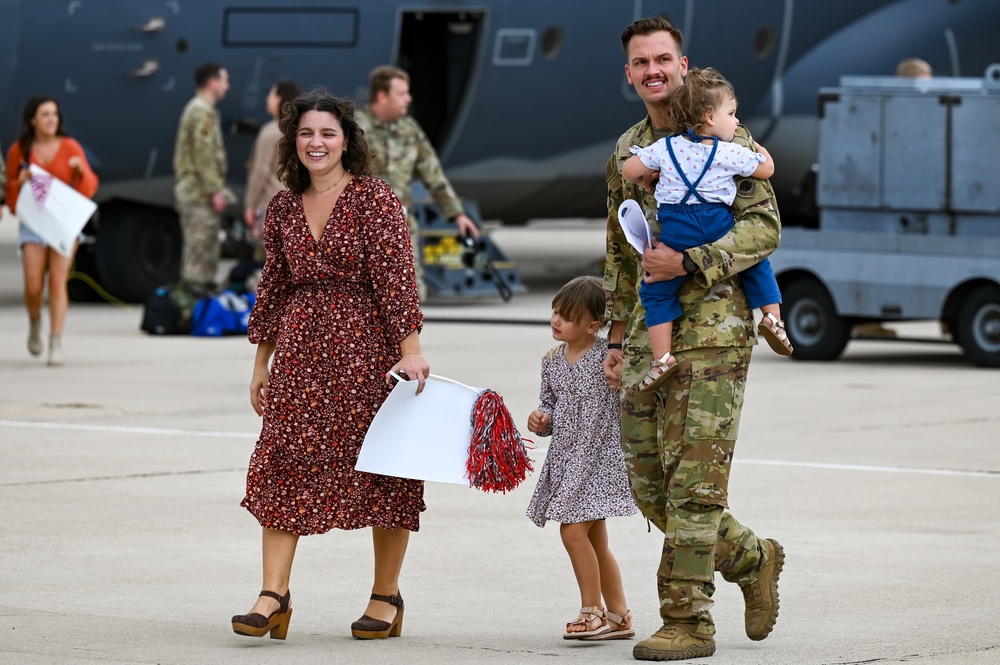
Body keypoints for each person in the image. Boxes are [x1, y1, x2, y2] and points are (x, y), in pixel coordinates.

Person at [602, 17, 785, 661]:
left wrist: (692, 262)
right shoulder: (628, 150)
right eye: (640, 62)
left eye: (663, 59)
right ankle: (752, 557)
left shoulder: (723, 131)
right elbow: (622, 255)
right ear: (629, 74)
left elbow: (764, 231)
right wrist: (614, 342)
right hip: (649, 340)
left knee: (695, 487)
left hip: (715, 332)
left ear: (684, 65)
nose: (653, 70)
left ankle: (686, 620)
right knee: (651, 486)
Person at [231, 89, 430, 642]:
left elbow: (396, 279)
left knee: (384, 467)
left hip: (366, 353)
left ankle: (386, 595)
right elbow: (272, 287)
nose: (316, 143)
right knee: (284, 462)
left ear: (347, 141)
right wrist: (261, 362)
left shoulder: (374, 199)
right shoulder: (283, 205)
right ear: (293, 143)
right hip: (300, 353)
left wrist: (410, 348)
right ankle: (273, 594)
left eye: (327, 134)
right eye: (306, 134)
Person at [621, 67, 792, 392]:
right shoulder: (728, 151)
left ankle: (662, 358)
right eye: (732, 113)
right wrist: (762, 151)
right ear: (709, 118)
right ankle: (773, 318)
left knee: (657, 291)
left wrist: (647, 178)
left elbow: (629, 169)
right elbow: (766, 169)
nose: (736, 121)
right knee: (756, 263)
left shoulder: (667, 148)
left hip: (676, 229)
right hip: (715, 224)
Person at [525, 275, 638, 642]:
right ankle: (620, 615)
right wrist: (541, 421)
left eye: (568, 316)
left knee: (572, 530)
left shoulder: (608, 356)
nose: (557, 320)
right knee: (596, 541)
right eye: (555, 312)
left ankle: (592, 611)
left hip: (599, 459)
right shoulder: (551, 362)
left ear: (593, 326)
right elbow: (550, 409)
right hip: (568, 459)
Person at [355, 65, 479, 301]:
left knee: (410, 293)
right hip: (363, 228)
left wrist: (456, 214)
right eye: (401, 93)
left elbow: (433, 174)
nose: (409, 99)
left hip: (403, 227)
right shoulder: (356, 129)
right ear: (382, 96)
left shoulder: (410, 130)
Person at [4, 95, 99, 366]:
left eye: (54, 115)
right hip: (34, 224)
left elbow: (87, 190)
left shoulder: (70, 147)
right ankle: (35, 320)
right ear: (33, 119)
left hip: (63, 223)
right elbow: (11, 199)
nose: (51, 120)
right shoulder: (19, 150)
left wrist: (80, 171)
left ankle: (55, 341)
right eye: (45, 115)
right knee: (34, 286)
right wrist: (18, 184)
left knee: (58, 281)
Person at [173, 62, 235, 289]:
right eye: (224, 81)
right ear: (213, 83)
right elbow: (203, 154)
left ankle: (196, 312)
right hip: (199, 196)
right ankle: (193, 313)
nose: (227, 86)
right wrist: (215, 190)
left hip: (197, 195)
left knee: (200, 256)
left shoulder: (200, 109)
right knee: (199, 259)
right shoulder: (201, 111)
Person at [243, 80, 302, 262]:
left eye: (271, 94)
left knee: (267, 263)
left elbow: (260, 171)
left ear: (280, 99)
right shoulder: (300, 131)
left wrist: (249, 205)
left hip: (270, 206)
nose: (267, 99)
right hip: (296, 207)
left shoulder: (270, 132)